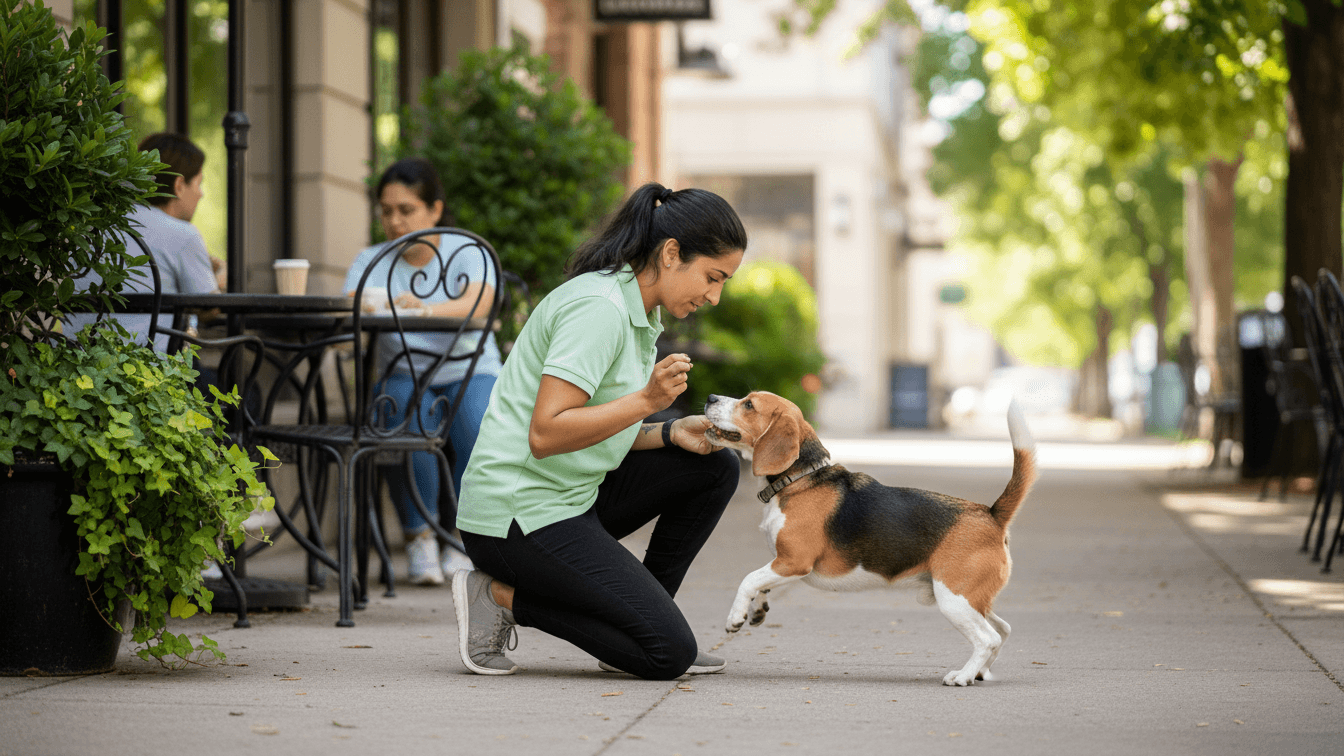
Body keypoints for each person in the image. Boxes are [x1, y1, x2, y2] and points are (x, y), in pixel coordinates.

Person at [451, 182, 748, 680]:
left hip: (572, 498)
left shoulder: (641, 311)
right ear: (672, 253)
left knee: (714, 464)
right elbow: (546, 433)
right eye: (712, 277)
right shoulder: (600, 309)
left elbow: (598, 428)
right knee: (666, 655)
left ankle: (639, 622)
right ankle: (498, 595)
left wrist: (669, 433)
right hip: (516, 517)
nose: (714, 296)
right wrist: (649, 401)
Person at [345, 158, 503, 586]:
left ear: (435, 209)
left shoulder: (467, 251)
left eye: (406, 210)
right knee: (401, 419)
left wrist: (423, 308)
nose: (394, 221)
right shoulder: (370, 261)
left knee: (479, 428)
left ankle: (464, 539)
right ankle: (420, 539)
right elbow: (350, 312)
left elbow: (479, 305)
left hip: (469, 367)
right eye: (386, 210)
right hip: (405, 371)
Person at [66, 132, 222, 351]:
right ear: (179, 185)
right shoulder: (183, 234)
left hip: (77, 361)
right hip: (149, 373)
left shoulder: (92, 223)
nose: (201, 194)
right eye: (198, 183)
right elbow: (210, 308)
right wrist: (219, 279)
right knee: (245, 385)